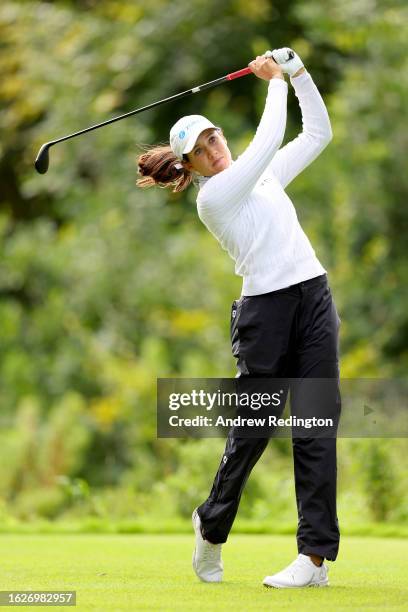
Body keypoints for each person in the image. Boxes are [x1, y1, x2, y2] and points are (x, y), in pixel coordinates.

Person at [137, 47, 341, 589]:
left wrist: (297, 73)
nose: (214, 151)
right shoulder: (216, 197)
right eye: (201, 151)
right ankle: (211, 523)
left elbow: (317, 133)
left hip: (313, 297)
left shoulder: (263, 175)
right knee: (252, 432)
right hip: (265, 315)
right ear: (191, 167)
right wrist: (273, 82)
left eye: (214, 138)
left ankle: (314, 558)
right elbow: (270, 137)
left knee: (317, 425)